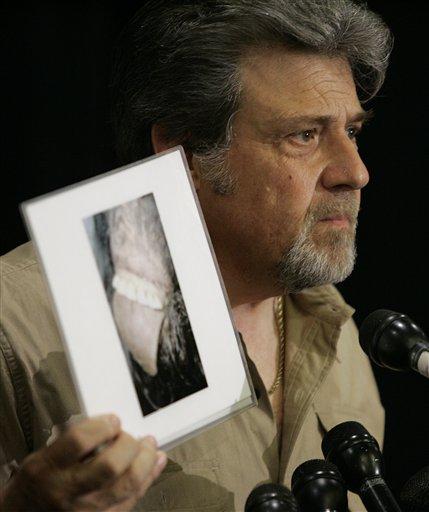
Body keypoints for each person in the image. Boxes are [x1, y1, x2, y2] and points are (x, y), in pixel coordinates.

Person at [0, 0, 393, 510]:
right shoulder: (15, 322)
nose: (355, 172)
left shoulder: (340, 334)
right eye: (305, 135)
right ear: (184, 152)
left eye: (353, 132)